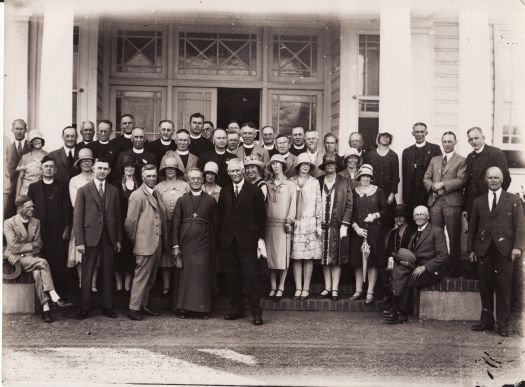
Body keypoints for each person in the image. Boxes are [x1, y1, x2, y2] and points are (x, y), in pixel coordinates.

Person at [467, 167, 524, 337]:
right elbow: (472, 228)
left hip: (505, 250)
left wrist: (517, 247)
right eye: (490, 178)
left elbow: (520, 226)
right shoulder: (478, 202)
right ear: (485, 180)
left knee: (504, 287)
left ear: (502, 180)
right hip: (484, 249)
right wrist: (471, 249)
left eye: (496, 178)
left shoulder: (513, 200)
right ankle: (486, 321)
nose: (493, 180)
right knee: (485, 286)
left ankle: (503, 324)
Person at [4, 195, 73, 323]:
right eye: (29, 206)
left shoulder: (36, 222)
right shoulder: (9, 223)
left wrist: (26, 248)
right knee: (43, 262)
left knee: (38, 273)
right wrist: (30, 246)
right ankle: (53, 295)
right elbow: (13, 248)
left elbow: (39, 244)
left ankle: (46, 309)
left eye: (32, 206)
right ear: (20, 208)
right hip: (17, 260)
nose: (33, 209)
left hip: (32, 258)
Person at [218, 158, 266, 325]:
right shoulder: (224, 192)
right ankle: (236, 309)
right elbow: (221, 216)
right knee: (232, 276)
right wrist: (222, 238)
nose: (235, 174)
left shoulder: (254, 191)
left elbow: (261, 217)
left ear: (243, 171)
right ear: (228, 173)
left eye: (237, 170)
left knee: (250, 276)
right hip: (229, 241)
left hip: (248, 240)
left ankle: (256, 312)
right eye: (232, 171)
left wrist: (260, 239)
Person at [74, 158, 122, 320]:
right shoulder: (83, 190)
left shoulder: (113, 190)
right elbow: (77, 217)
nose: (102, 171)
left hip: (108, 237)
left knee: (108, 272)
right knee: (87, 273)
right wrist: (79, 241)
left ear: (109, 171)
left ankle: (108, 306)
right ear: (94, 169)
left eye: (105, 169)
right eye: (99, 168)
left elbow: (117, 216)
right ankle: (84, 307)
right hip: (89, 237)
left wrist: (118, 239)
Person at [383, 205, 449, 324]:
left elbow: (443, 256)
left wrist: (425, 267)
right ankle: (394, 308)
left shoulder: (436, 231)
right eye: (417, 215)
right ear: (413, 218)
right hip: (415, 267)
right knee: (398, 271)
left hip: (431, 270)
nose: (419, 217)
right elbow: (412, 255)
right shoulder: (414, 234)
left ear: (427, 217)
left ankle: (401, 314)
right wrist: (405, 262)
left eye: (422, 215)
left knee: (408, 279)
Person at [172, 168, 218, 318]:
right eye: (193, 178)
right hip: (186, 245)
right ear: (188, 180)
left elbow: (215, 224)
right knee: (185, 275)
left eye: (199, 178)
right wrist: (175, 245)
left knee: (202, 274)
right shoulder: (182, 200)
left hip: (204, 244)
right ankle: (183, 308)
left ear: (203, 180)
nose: (196, 181)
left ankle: (203, 309)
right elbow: (175, 224)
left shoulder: (210, 200)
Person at [125, 164, 166, 321]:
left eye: (154, 175)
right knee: (141, 277)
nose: (152, 178)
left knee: (151, 277)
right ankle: (133, 308)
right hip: (145, 243)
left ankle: (144, 305)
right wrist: (138, 239)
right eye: (148, 176)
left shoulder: (156, 193)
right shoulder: (137, 196)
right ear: (142, 177)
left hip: (156, 243)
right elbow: (130, 223)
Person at [423, 131, 467, 276]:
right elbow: (426, 177)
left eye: (449, 141)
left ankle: (455, 267)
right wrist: (431, 186)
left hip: (452, 203)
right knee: (436, 235)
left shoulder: (461, 160)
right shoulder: (435, 159)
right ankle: (437, 267)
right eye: (444, 141)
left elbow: (461, 180)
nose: (447, 144)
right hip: (435, 202)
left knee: (454, 236)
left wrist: (443, 185)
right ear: (441, 143)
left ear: (455, 142)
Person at [27, 156, 72, 295]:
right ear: (41, 169)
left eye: (51, 166)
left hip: (58, 231)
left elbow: (67, 208)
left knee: (59, 261)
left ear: (55, 169)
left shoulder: (62, 185)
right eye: (46, 166)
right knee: (42, 260)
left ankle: (60, 294)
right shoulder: (33, 187)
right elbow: (29, 209)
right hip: (40, 231)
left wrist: (67, 227)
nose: (48, 169)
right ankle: (45, 294)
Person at [349, 164, 387, 304]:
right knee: (358, 261)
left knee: (372, 262)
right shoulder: (354, 191)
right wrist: (355, 227)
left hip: (374, 231)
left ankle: (370, 291)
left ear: (371, 178)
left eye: (368, 176)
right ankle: (358, 290)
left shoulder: (378, 191)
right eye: (363, 176)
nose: (365, 178)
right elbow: (350, 212)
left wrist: (375, 215)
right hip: (358, 231)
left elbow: (385, 209)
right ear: (359, 177)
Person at [317, 154, 353, 301]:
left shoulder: (345, 182)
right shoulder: (318, 182)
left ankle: (335, 289)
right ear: (324, 166)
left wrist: (345, 224)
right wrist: (315, 223)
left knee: (336, 258)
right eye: (327, 164)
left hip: (337, 226)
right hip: (321, 225)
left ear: (337, 166)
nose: (330, 166)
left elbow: (350, 205)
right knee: (324, 258)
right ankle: (327, 287)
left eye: (332, 163)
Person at [154, 156, 190, 297]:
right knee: (166, 256)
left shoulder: (184, 186)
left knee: (181, 254)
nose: (170, 170)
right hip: (165, 225)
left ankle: (180, 286)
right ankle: (166, 285)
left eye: (173, 168)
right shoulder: (158, 187)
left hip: (182, 225)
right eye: (167, 168)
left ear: (177, 170)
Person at [264, 154, 297, 302]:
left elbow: (293, 205)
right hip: (269, 224)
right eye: (273, 164)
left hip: (284, 225)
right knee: (270, 258)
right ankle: (272, 286)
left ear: (283, 166)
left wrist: (289, 221)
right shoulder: (267, 184)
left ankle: (281, 286)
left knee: (283, 257)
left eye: (278, 163)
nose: (276, 166)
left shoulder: (290, 184)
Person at [290, 152, 322, 301]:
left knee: (308, 257)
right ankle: (298, 288)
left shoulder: (314, 182)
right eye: (302, 164)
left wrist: (318, 223)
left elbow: (318, 203)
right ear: (298, 166)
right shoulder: (291, 181)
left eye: (307, 164)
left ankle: (306, 288)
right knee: (296, 257)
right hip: (296, 222)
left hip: (309, 222)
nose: (305, 167)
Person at [464, 126, 512, 218]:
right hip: (472, 205)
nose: (474, 141)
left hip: (490, 203)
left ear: (483, 137)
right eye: (471, 139)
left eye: (476, 138)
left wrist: (495, 199)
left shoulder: (495, 153)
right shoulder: (470, 157)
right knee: (472, 230)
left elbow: (506, 179)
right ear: (468, 141)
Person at [67, 148, 96, 290]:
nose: (86, 163)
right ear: (79, 163)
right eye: (83, 161)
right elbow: (75, 202)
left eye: (89, 161)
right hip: (82, 219)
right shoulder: (74, 180)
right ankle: (82, 281)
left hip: (97, 220)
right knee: (79, 253)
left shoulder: (98, 176)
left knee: (96, 253)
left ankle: (93, 283)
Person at [401, 122, 441, 218]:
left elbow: (439, 171)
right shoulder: (407, 151)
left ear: (426, 133)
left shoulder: (435, 149)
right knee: (413, 220)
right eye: (417, 132)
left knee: (429, 219)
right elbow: (405, 175)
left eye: (422, 131)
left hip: (429, 192)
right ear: (413, 133)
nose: (419, 134)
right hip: (412, 193)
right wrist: (405, 197)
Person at [112, 155, 139, 295]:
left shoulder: (139, 183)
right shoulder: (116, 184)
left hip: (135, 223)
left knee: (131, 254)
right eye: (127, 167)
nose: (129, 169)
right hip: (119, 222)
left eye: (132, 167)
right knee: (118, 253)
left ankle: (128, 284)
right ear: (123, 169)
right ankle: (118, 284)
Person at [383, 204, 415, 308]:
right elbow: (389, 252)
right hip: (396, 262)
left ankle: (397, 306)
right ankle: (391, 301)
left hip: (409, 262)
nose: (398, 219)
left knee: (400, 272)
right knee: (385, 271)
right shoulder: (393, 233)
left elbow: (413, 251)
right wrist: (390, 261)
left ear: (405, 218)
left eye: (401, 216)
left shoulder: (412, 231)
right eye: (396, 217)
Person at [366, 132, 400, 230]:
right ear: (378, 139)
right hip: (373, 192)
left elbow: (395, 177)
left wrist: (392, 194)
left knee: (387, 221)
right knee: (373, 220)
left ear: (390, 140)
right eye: (383, 136)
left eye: (387, 137)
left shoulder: (393, 155)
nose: (385, 138)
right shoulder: (371, 154)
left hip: (387, 193)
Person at [4, 119, 30, 218]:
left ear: (25, 130)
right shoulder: (8, 147)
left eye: (21, 129)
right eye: (16, 129)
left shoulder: (30, 146)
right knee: (9, 216)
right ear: (12, 130)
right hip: (11, 188)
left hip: (27, 187)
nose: (19, 131)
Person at [16, 130, 47, 197]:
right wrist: (17, 197)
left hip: (41, 192)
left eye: (38, 138)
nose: (36, 141)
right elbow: (20, 178)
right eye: (34, 139)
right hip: (25, 193)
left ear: (42, 141)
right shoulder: (25, 157)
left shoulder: (47, 156)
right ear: (31, 143)